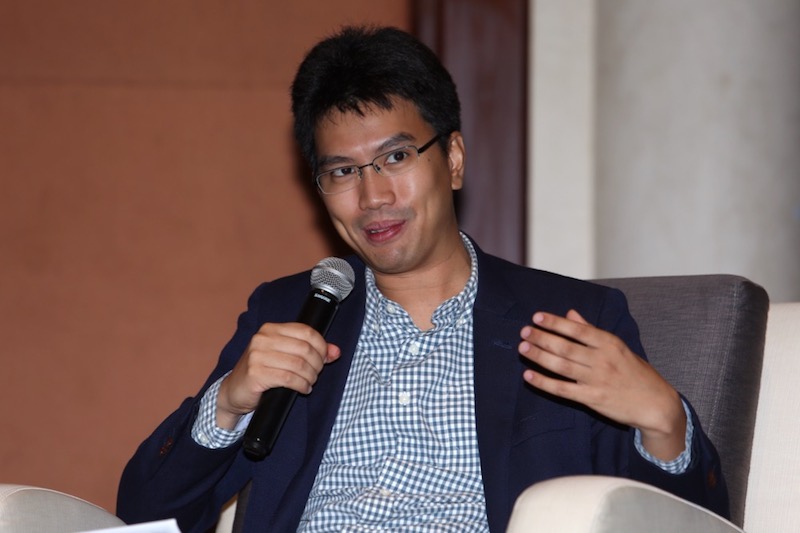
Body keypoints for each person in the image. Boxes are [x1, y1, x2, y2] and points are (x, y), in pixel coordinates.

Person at [117, 25, 729, 532]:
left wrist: (664, 422)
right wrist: (226, 403)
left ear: (453, 159)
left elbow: (681, 522)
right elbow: (146, 514)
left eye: (396, 157)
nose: (373, 196)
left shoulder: (571, 317)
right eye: (342, 171)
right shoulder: (290, 311)